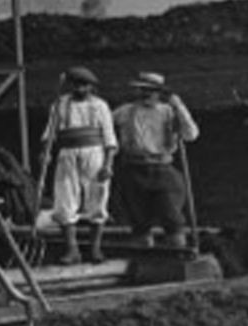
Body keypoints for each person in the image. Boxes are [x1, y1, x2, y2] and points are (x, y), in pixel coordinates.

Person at [112, 72, 200, 251]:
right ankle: (144, 260)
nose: (146, 94)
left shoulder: (169, 111)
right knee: (139, 219)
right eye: (142, 90)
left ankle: (179, 255)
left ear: (160, 92)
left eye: (151, 90)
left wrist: (179, 107)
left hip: (162, 168)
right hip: (133, 169)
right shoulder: (124, 111)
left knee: (171, 217)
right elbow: (103, 130)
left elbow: (191, 135)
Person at [41, 66, 117, 264]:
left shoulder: (100, 106)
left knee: (98, 196)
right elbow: (50, 133)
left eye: (84, 85)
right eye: (76, 85)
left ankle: (95, 249)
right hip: (67, 154)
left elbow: (109, 138)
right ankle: (72, 250)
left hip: (94, 153)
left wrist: (108, 165)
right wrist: (46, 152)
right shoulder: (59, 104)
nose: (80, 89)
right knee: (65, 198)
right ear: (70, 85)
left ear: (91, 87)